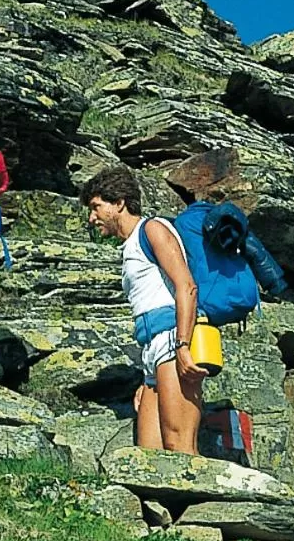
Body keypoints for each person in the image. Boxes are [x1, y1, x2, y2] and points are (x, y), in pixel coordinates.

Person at [79, 165, 208, 454]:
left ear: (119, 203)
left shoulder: (152, 229)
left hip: (172, 340)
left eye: (96, 207)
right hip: (152, 351)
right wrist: (145, 372)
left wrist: (183, 347)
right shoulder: (130, 246)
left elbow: (187, 286)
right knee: (149, 454)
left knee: (180, 445)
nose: (92, 217)